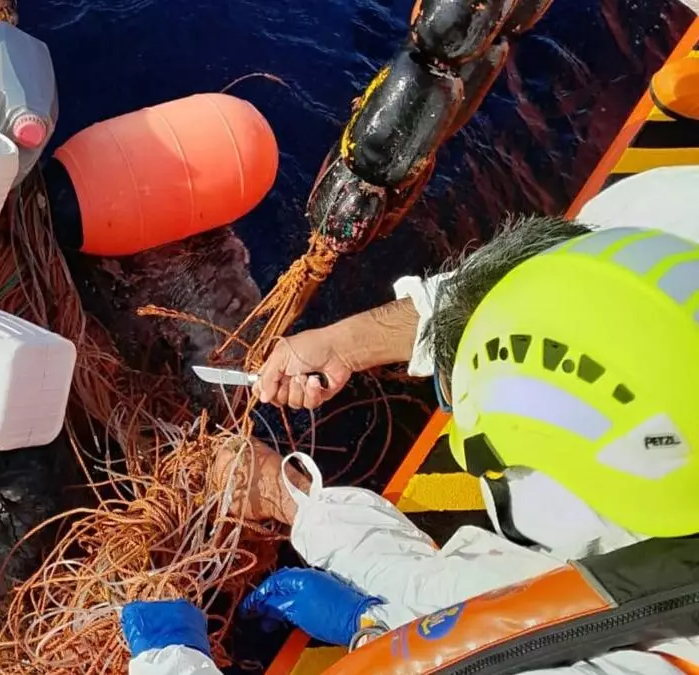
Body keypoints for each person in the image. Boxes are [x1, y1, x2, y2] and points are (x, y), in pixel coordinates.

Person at [118, 175, 699, 672]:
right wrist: (349, 343)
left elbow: (514, 615)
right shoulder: (660, 223)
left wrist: (169, 657)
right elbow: (513, 289)